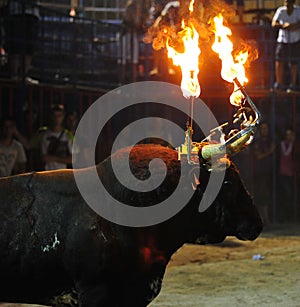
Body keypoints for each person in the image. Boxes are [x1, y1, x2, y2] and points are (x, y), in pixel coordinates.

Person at [6, 0, 39, 83]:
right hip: (17, 12)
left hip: (30, 13)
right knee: (17, 45)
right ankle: (15, 75)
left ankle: (22, 75)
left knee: (28, 47)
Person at [271, 0, 300, 92]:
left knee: (293, 63)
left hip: (294, 40)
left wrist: (293, 26)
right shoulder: (281, 10)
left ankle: (292, 85)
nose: (288, 4)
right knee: (279, 61)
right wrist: (283, 25)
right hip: (282, 40)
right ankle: (278, 84)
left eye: (290, 2)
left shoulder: (298, 11)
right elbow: (273, 23)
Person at [253, 122, 276, 225]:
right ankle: (263, 218)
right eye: (262, 128)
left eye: (266, 128)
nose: (264, 130)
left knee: (267, 194)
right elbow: (258, 156)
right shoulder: (257, 142)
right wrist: (270, 151)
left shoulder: (270, 141)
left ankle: (265, 217)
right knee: (262, 195)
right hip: (260, 172)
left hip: (269, 171)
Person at [41, 104, 73, 170]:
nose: (56, 118)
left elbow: (73, 159)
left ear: (63, 117)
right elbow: (42, 157)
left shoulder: (68, 135)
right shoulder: (43, 134)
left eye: (59, 116)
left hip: (61, 173)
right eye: (54, 115)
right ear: (51, 116)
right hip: (46, 173)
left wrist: (52, 158)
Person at [278, 128, 299, 222]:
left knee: (294, 195)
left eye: (291, 134)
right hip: (284, 173)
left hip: (294, 173)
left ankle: (294, 216)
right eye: (288, 134)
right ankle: (286, 216)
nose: (289, 136)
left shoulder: (296, 145)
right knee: (286, 195)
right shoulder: (282, 144)